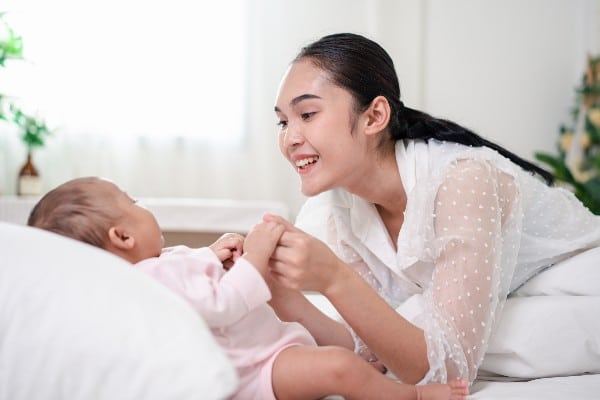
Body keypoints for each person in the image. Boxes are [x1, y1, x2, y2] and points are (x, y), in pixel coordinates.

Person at [266, 32, 600, 386]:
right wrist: (279, 294)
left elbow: (447, 373)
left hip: (577, 283)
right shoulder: (340, 210)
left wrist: (334, 277)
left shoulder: (462, 181)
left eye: (307, 114)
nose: (290, 138)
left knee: (495, 331)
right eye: (283, 122)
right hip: (507, 292)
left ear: (374, 116)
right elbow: (371, 348)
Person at [27, 176, 469, 400]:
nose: (143, 207)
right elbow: (222, 303)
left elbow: (194, 273)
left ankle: (360, 379)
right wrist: (255, 255)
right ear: (122, 237)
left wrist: (218, 251)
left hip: (269, 350)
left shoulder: (162, 264)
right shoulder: (147, 279)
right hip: (255, 373)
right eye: (133, 203)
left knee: (338, 357)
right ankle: (411, 395)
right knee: (339, 367)